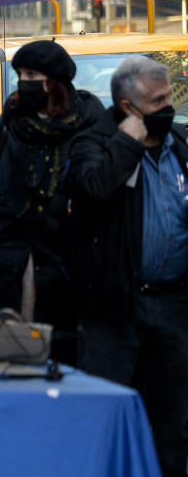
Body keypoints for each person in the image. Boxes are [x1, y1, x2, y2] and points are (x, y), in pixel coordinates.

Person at [69, 56, 188, 476]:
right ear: (127, 107)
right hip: (113, 308)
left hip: (171, 308)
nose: (168, 107)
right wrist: (128, 143)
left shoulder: (180, 145)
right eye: (157, 102)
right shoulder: (95, 143)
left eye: (168, 96)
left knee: (170, 426)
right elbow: (93, 188)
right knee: (104, 422)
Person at [0, 41, 102, 360]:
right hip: (4, 266)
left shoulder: (89, 129)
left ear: (55, 80)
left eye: (32, 74)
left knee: (58, 361)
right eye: (19, 73)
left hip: (64, 268)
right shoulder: (3, 127)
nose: (23, 81)